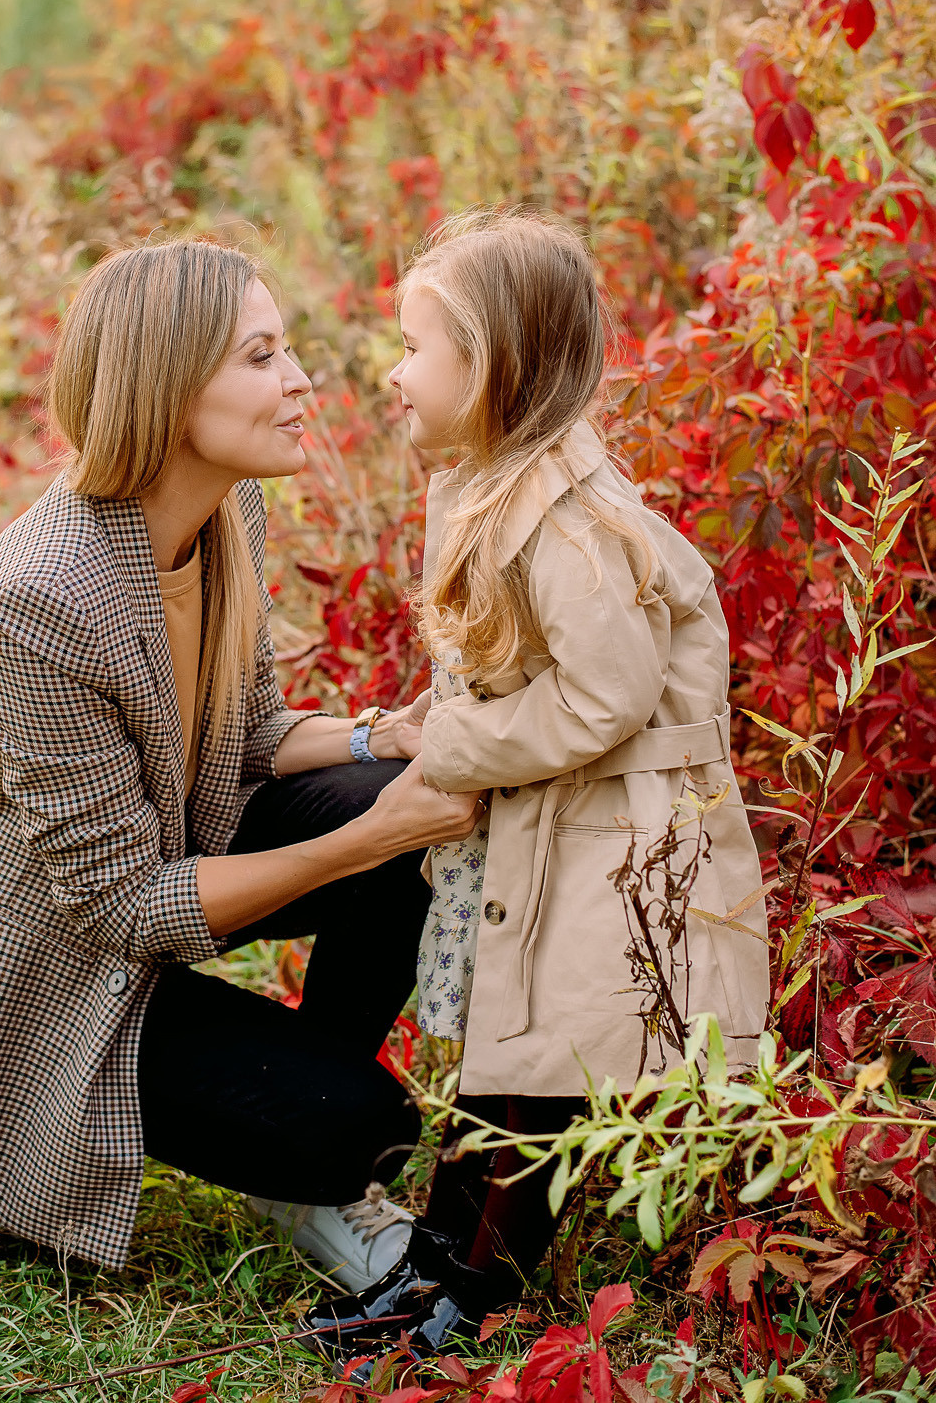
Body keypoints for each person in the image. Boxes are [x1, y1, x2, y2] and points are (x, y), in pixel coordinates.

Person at [0, 239, 480, 1280]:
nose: (300, 380)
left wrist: (382, 736)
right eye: (261, 356)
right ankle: (311, 1145)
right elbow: (123, 908)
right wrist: (371, 833)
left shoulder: (227, 510)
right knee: (360, 1122)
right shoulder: (37, 601)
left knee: (394, 806)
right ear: (167, 386)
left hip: (151, 877)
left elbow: (240, 734)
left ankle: (301, 1128)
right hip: (40, 977)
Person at [298, 211, 769, 1371]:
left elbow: (602, 697)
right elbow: (500, 659)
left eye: (415, 346)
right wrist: (434, 718)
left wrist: (452, 745)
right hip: (529, 826)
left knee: (535, 1077)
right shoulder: (489, 484)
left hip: (595, 840)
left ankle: (479, 1287)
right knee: (491, 1056)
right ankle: (434, 1260)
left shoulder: (565, 517)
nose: (393, 371)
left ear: (493, 366)